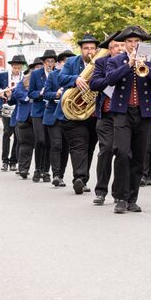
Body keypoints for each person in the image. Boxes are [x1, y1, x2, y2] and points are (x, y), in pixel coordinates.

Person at [104, 26, 151, 214]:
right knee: (122, 153)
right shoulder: (115, 61)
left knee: (139, 157)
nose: (133, 45)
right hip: (122, 112)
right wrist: (128, 65)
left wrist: (146, 69)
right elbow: (110, 80)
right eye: (129, 42)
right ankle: (120, 197)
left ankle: (132, 198)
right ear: (125, 44)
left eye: (136, 42)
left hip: (144, 113)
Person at [57, 34, 101, 194]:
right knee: (79, 145)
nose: (89, 51)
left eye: (92, 48)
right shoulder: (71, 62)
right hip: (73, 113)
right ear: (81, 49)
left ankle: (83, 179)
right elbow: (60, 78)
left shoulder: (100, 63)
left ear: (96, 49)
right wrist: (75, 79)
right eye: (86, 48)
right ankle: (79, 178)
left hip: (92, 113)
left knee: (89, 146)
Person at [88, 31, 123, 205]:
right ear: (109, 49)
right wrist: (110, 80)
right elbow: (93, 84)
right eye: (115, 45)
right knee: (106, 150)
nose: (119, 48)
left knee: (122, 151)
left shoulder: (130, 63)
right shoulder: (101, 62)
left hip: (125, 115)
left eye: (121, 45)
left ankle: (118, 192)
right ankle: (101, 190)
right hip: (107, 114)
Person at [43, 49, 75, 187]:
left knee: (66, 147)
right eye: (64, 62)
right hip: (53, 115)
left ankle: (60, 175)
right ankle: (55, 174)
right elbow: (45, 94)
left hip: (69, 114)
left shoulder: (75, 76)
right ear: (59, 63)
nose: (67, 64)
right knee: (56, 145)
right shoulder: (53, 76)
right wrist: (56, 94)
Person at [27, 49, 57, 182]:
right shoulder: (36, 74)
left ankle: (46, 171)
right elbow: (30, 93)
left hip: (51, 110)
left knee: (49, 142)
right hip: (38, 111)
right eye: (48, 61)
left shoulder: (57, 74)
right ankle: (37, 169)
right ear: (44, 62)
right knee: (40, 140)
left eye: (52, 61)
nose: (50, 63)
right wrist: (40, 93)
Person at [9, 70, 34, 178]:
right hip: (24, 117)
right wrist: (29, 97)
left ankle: (41, 170)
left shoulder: (45, 80)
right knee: (25, 143)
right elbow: (17, 93)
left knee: (41, 143)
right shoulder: (24, 81)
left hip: (38, 116)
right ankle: (23, 168)